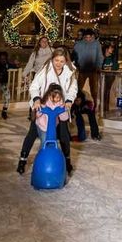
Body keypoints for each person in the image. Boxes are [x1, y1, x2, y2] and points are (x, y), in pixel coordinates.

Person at [17, 47, 78, 175]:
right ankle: (22, 160)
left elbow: (73, 89)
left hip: (60, 107)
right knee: (33, 132)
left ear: (66, 61)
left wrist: (69, 101)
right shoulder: (45, 70)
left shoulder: (70, 71)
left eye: (62, 61)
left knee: (64, 135)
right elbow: (34, 86)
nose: (59, 64)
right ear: (52, 59)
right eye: (56, 60)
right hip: (43, 106)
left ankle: (67, 161)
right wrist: (37, 99)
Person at [73, 29, 104, 104]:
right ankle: (76, 104)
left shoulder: (96, 44)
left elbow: (99, 56)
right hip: (82, 69)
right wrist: (77, 65)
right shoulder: (79, 44)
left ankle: (95, 105)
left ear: (92, 36)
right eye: (86, 37)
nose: (88, 39)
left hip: (93, 70)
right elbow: (74, 55)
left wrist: (99, 66)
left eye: (89, 37)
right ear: (84, 37)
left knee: (94, 90)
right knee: (78, 88)